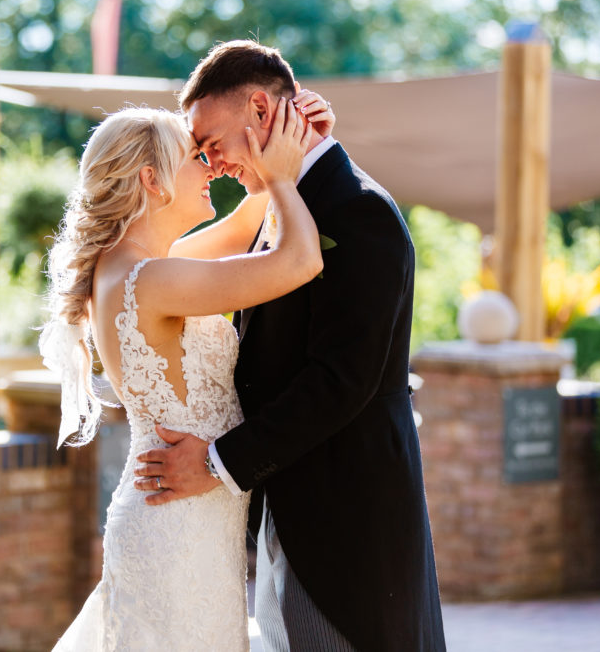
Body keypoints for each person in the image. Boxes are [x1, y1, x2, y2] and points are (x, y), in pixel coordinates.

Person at [134, 40, 446, 651]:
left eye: (211, 141)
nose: (211, 162)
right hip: (286, 508)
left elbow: (342, 381)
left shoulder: (360, 212)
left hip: (345, 522)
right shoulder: (283, 206)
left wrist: (218, 463)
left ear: (258, 108)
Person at [41, 92, 332, 650]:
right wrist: (287, 181)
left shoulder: (137, 268)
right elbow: (301, 259)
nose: (211, 168)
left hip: (188, 525)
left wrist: (286, 144)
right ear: (153, 179)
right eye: (196, 157)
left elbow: (246, 225)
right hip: (175, 532)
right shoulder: (148, 282)